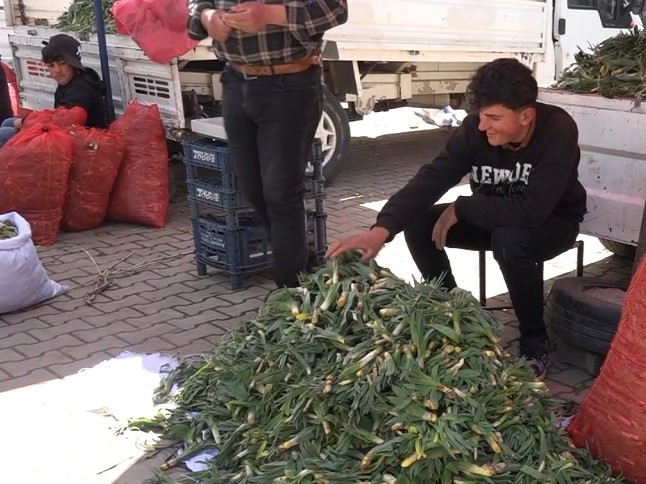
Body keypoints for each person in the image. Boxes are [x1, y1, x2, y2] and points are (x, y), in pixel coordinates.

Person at [327, 58, 588, 379]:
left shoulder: (557, 130)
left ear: (526, 116)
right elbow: (432, 178)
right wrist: (382, 229)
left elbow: (532, 211)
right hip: (494, 219)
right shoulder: (475, 131)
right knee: (420, 222)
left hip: (551, 223)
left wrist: (464, 208)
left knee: (510, 239)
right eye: (480, 116)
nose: (483, 126)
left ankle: (534, 339)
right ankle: (453, 316)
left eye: (494, 118)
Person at [187, 0, 348, 288]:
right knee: (253, 189)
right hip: (236, 82)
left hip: (291, 85)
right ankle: (306, 263)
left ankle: (290, 294)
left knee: (281, 194)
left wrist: (272, 15)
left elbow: (335, 8)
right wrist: (207, 16)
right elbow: (196, 4)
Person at [0, 34, 109, 147]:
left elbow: (61, 121)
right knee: (8, 122)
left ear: (73, 63)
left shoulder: (81, 88)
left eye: (62, 63)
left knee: (3, 134)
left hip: (83, 143)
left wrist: (25, 122)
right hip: (67, 133)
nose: (57, 70)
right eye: (51, 65)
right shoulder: (71, 80)